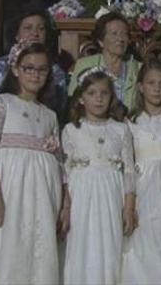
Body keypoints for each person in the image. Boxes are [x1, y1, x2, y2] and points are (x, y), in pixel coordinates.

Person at [0, 41, 65, 284]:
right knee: (7, 245)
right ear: (16, 69)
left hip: (42, 194)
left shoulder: (50, 115)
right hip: (9, 191)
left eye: (42, 69)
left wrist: (64, 205)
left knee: (37, 249)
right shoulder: (3, 103)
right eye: (29, 68)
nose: (35, 74)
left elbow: (60, 165)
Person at [62, 67, 137, 285]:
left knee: (109, 246)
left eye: (104, 93)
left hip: (111, 194)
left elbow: (130, 170)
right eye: (92, 93)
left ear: (112, 97)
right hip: (82, 194)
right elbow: (65, 172)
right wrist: (66, 207)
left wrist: (129, 207)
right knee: (81, 246)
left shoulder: (121, 129)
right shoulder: (71, 130)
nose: (99, 99)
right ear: (81, 99)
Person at [121, 60, 161, 285]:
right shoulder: (130, 123)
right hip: (143, 191)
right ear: (141, 87)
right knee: (141, 246)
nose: (157, 88)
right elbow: (127, 164)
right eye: (151, 83)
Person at [0, 5, 67, 142]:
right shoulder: (0, 68)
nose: (35, 33)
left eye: (41, 29)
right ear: (16, 35)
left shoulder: (56, 72)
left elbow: (60, 117)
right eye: (28, 28)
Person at [69, 12, 141, 112]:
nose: (120, 39)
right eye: (114, 34)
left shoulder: (138, 68)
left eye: (124, 34)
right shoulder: (85, 64)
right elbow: (74, 100)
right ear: (101, 41)